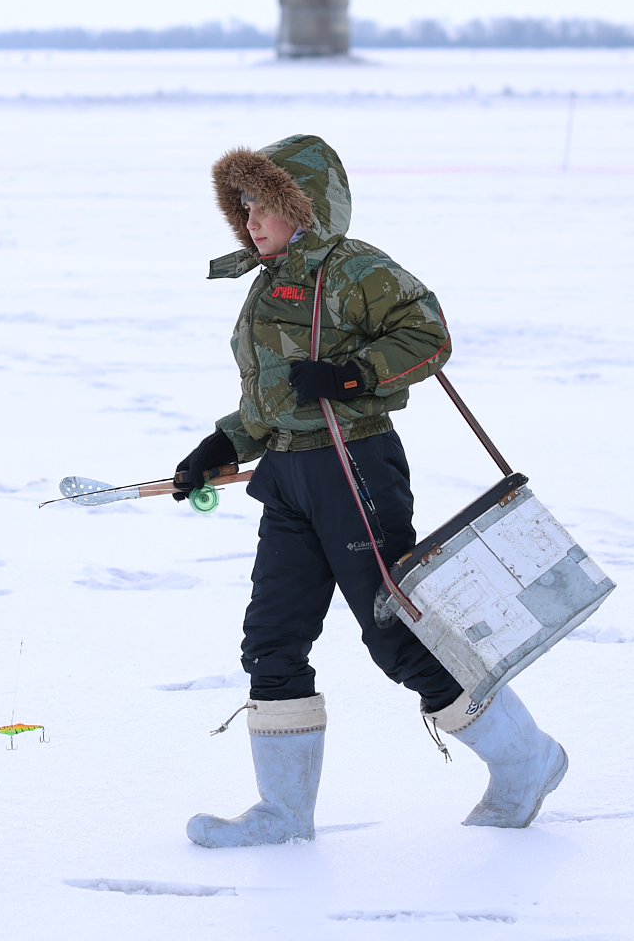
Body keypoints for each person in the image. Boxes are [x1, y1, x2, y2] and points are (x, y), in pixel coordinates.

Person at [174, 134, 568, 848]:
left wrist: (351, 375)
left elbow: (428, 335)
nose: (251, 221)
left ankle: (525, 759)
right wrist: (223, 445)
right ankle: (284, 813)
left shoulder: (354, 269)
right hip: (288, 477)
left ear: (304, 207)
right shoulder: (269, 282)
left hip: (353, 466)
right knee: (272, 639)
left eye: (265, 205)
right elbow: (276, 397)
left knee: (398, 635)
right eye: (245, 206)